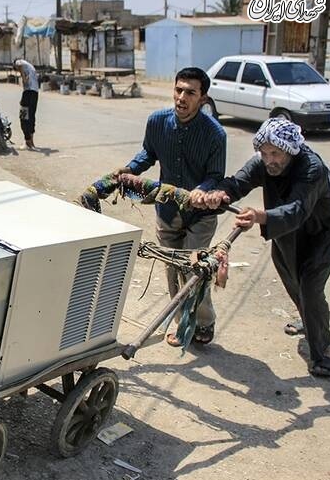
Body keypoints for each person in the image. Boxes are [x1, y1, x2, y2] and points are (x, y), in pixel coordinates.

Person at [191, 118, 330, 377]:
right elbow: (237, 183)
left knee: (310, 286)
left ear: (290, 150)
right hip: (287, 232)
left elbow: (297, 210)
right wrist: (220, 194)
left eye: (275, 154)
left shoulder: (312, 168)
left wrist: (259, 216)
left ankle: (322, 354)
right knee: (292, 281)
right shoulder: (262, 163)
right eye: (264, 154)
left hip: (322, 232)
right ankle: (311, 322)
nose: (269, 160)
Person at [117, 67, 227, 346]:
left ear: (203, 99)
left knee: (194, 269)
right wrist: (129, 170)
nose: (182, 97)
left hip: (201, 215)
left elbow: (215, 176)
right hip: (166, 212)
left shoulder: (215, 134)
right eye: (178, 90)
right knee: (171, 267)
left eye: (190, 92)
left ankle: (203, 323)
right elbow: (148, 154)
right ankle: (180, 323)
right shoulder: (157, 122)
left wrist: (200, 192)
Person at [13, 58, 39, 149]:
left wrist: (23, 78)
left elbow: (19, 66)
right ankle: (31, 141)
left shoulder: (19, 62)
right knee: (31, 116)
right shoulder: (30, 66)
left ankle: (27, 141)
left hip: (28, 92)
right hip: (35, 92)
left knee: (23, 116)